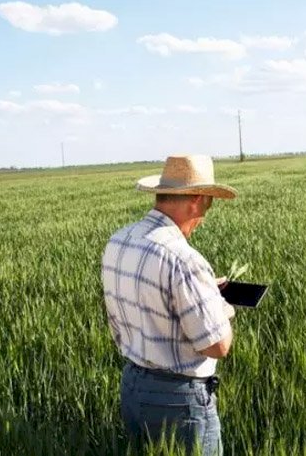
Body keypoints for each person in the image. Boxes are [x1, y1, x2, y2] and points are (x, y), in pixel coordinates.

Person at [101, 154, 237, 455]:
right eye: (209, 205)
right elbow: (216, 345)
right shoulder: (183, 259)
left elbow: (147, 298)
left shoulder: (119, 241)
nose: (204, 217)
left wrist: (200, 292)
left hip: (133, 388)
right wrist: (220, 305)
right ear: (196, 201)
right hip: (179, 401)